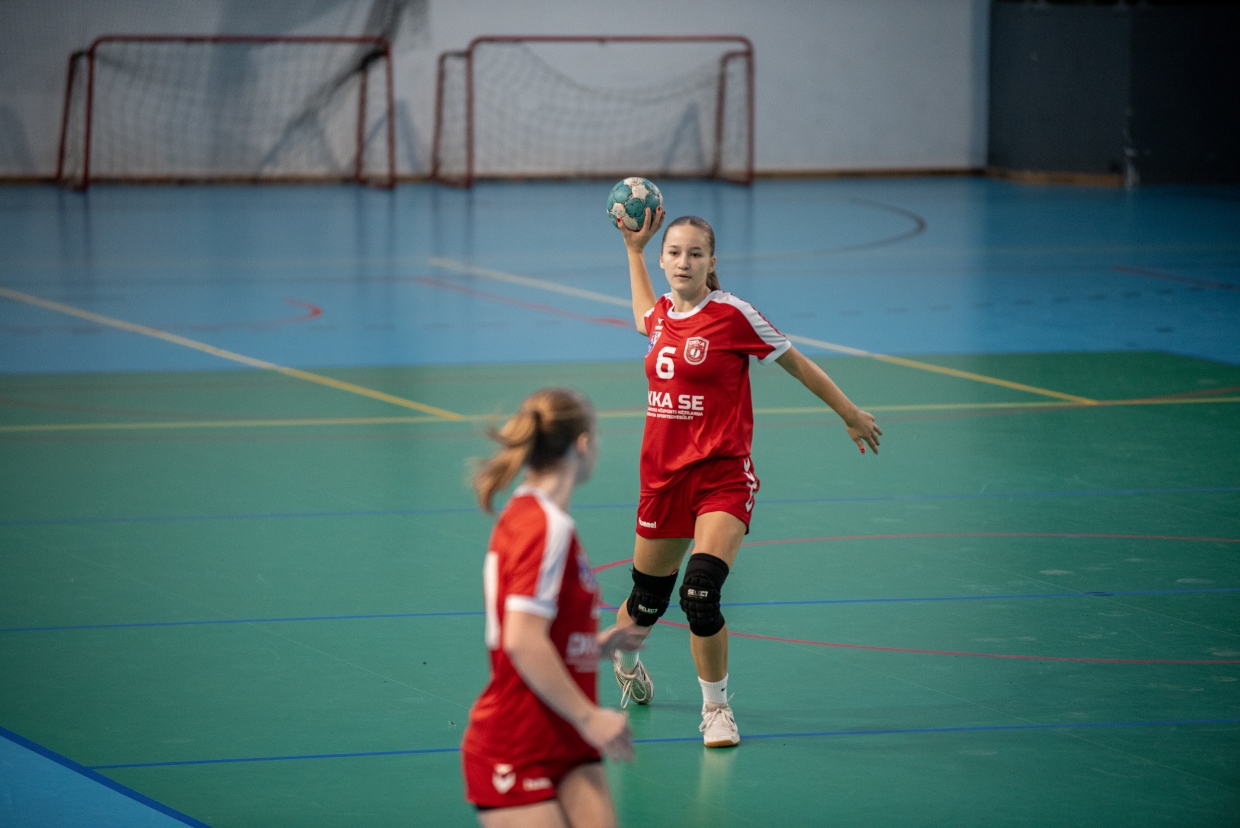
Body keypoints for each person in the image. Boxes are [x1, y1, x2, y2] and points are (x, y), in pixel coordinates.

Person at [611, 208, 882, 747]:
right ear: (664, 260)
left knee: (700, 593)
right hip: (663, 480)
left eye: (694, 253)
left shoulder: (733, 314)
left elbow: (797, 364)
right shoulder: (661, 315)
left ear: (711, 261)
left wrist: (849, 412)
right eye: (674, 253)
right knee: (646, 601)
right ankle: (626, 659)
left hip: (722, 476)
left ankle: (716, 709)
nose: (683, 262)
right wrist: (633, 250)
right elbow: (644, 313)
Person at [461, 387, 645, 828]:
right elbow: (521, 640)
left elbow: (538, 631)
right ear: (582, 444)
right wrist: (590, 717)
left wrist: (591, 647)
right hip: (518, 743)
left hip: (565, 736)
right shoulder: (543, 526)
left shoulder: (537, 517)